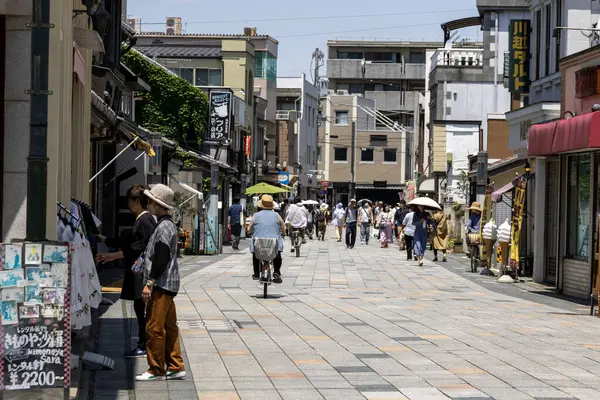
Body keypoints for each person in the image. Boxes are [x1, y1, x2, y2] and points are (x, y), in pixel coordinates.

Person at [96, 184, 156, 359]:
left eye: (129, 201)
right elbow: (131, 244)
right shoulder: (143, 219)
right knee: (140, 308)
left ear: (137, 201)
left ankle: (144, 345)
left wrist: (114, 255)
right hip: (138, 272)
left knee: (142, 309)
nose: (128, 205)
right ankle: (143, 343)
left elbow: (142, 247)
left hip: (141, 273)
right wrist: (110, 248)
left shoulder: (145, 220)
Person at [136, 184, 185, 381]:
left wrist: (150, 282)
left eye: (150, 201)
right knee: (169, 326)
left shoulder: (164, 226)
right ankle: (175, 365)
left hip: (162, 284)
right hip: (169, 283)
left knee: (154, 327)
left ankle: (156, 369)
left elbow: (161, 258)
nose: (148, 204)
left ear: (157, 204)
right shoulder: (166, 224)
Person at [247, 195, 286, 283]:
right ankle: (276, 271)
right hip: (274, 243)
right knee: (277, 255)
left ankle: (256, 273)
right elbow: (283, 226)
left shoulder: (256, 215)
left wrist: (249, 232)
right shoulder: (276, 215)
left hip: (259, 242)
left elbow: (249, 228)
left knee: (255, 255)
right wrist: (283, 233)